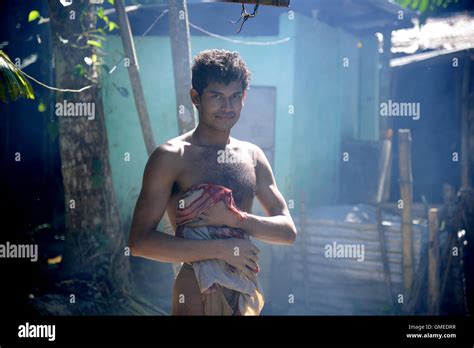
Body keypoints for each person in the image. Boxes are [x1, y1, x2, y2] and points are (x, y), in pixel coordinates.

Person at [129, 49, 296, 315]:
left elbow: (288, 232)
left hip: (244, 290)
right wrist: (222, 248)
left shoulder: (252, 156)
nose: (227, 107)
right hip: (196, 290)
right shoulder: (172, 157)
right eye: (216, 97)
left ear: (244, 98)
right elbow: (139, 243)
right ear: (196, 97)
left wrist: (237, 220)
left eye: (235, 97)